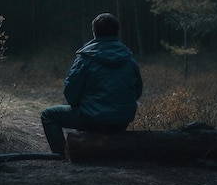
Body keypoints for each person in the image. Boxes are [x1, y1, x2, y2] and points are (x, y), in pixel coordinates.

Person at [41, 12, 143, 157]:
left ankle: (61, 157)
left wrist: (82, 105)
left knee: (48, 115)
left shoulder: (85, 57)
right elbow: (137, 92)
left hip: (92, 119)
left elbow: (71, 94)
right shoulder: (129, 58)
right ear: (116, 32)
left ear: (94, 32)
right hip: (122, 121)